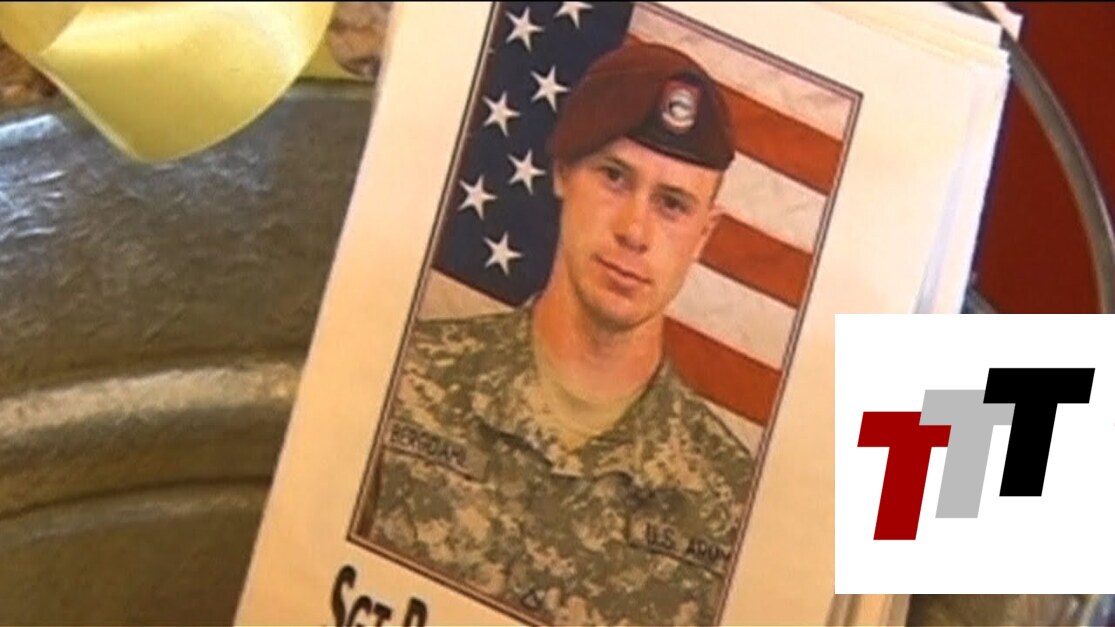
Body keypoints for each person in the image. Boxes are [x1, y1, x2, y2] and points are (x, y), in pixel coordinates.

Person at [354, 41, 755, 627]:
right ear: (562, 172)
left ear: (704, 234)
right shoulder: (402, 379)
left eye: (672, 205)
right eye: (614, 177)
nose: (634, 231)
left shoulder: (735, 506)